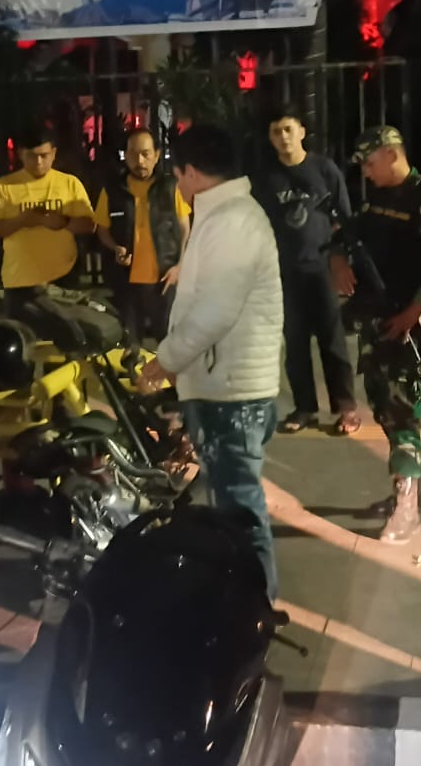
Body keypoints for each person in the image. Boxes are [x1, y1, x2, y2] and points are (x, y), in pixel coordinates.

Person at [138, 125, 283, 596]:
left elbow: (215, 311)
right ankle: (244, 603)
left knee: (240, 513)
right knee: (231, 508)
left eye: (178, 173)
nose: (177, 184)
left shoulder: (232, 221)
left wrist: (166, 360)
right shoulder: (223, 215)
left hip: (232, 393)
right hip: (228, 386)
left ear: (193, 172)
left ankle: (256, 609)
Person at [329, 127, 421, 543]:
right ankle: (415, 488)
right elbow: (346, 236)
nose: (365, 170)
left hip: (406, 322)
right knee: (383, 403)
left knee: (401, 409)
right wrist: (338, 260)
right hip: (374, 317)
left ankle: (407, 508)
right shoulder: (376, 199)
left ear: (392, 154)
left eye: (369, 161)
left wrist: (416, 309)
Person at [257, 106, 359, 435]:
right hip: (284, 271)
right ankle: (304, 407)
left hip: (321, 268)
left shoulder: (324, 170)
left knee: (332, 339)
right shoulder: (267, 177)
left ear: (302, 132)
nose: (283, 137)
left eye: (288, 129)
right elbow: (258, 223)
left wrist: (341, 258)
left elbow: (344, 217)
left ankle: (346, 408)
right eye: (276, 132)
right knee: (295, 342)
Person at [0, 127, 96, 318]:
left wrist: (62, 222)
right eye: (32, 156)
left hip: (62, 277)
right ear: (20, 154)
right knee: (24, 333)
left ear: (54, 153)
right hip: (20, 280)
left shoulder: (69, 183)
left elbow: (89, 225)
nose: (38, 162)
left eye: (44, 155)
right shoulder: (5, 186)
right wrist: (21, 221)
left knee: (65, 333)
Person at [93, 127, 191, 346]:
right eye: (133, 154)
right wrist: (115, 248)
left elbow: (185, 228)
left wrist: (179, 266)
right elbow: (102, 229)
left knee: (170, 345)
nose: (140, 161)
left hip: (165, 281)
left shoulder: (170, 188)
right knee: (129, 345)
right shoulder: (113, 191)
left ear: (156, 155)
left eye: (146, 154)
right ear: (126, 156)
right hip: (126, 283)